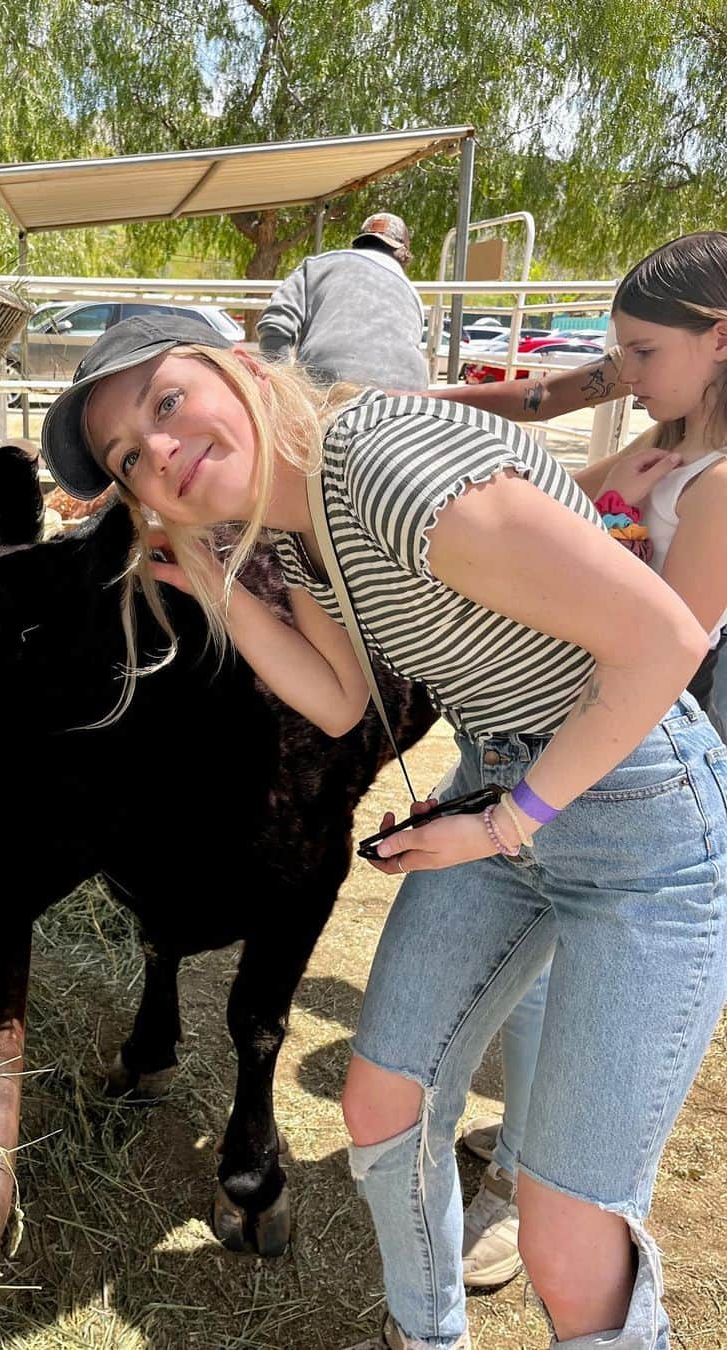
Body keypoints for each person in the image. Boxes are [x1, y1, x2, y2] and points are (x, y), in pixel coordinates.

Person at [39, 310, 726, 1350]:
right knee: (379, 1103)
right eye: (131, 456)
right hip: (507, 778)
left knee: (565, 1235)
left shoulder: (386, 463)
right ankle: (426, 1336)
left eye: (167, 403)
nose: (161, 450)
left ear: (240, 371)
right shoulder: (299, 520)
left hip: (639, 818)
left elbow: (667, 638)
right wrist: (212, 577)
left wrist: (503, 825)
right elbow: (337, 702)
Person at [442, 230, 727, 1294]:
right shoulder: (668, 445)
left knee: (589, 968)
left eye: (645, 354)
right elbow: (553, 503)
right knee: (541, 948)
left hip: (653, 752)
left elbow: (671, 638)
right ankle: (523, 1152)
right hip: (590, 738)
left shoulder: (716, 480)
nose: (630, 375)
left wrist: (609, 522)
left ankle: (535, 1188)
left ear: (719, 342)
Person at [257, 211, 429, 392]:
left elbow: (275, 325)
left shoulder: (316, 266)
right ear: (404, 254)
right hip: (407, 395)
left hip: (328, 389)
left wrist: (283, 389)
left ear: (358, 244)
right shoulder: (412, 294)